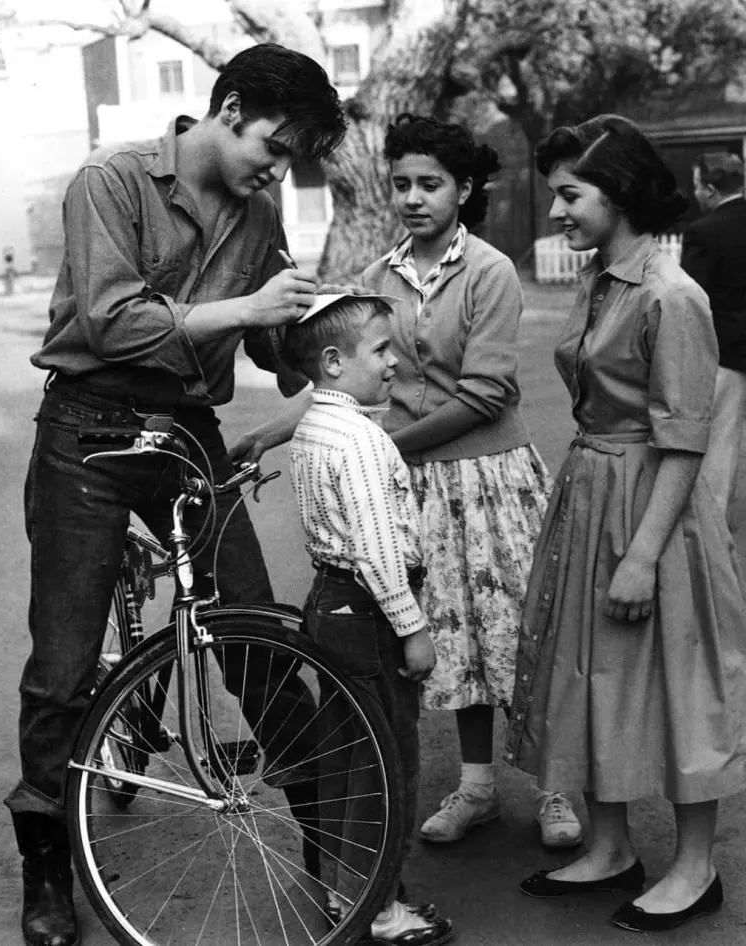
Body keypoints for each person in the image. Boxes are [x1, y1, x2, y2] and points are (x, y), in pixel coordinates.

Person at [5, 43, 346, 946]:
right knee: (66, 660)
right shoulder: (110, 182)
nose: (278, 169)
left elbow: (276, 347)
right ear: (230, 108)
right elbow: (111, 323)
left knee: (254, 624)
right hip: (88, 426)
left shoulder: (259, 205)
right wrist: (246, 311)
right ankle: (46, 871)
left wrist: (326, 325)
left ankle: (329, 845)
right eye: (275, 145)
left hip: (186, 425)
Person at [507, 114, 746, 933]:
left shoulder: (672, 295)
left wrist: (643, 556)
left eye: (571, 195)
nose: (558, 212)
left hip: (654, 512)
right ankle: (609, 849)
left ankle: (694, 868)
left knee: (680, 688)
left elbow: (685, 436)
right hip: (591, 494)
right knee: (588, 674)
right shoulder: (604, 279)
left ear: (618, 194)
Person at [359, 113, 582, 849]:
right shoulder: (378, 277)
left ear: (463, 190)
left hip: (491, 479)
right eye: (402, 184)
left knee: (519, 635)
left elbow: (485, 394)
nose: (414, 198)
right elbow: (354, 373)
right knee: (454, 641)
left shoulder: (488, 270)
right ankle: (478, 788)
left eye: (431, 184)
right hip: (419, 488)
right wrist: (277, 427)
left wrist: (390, 445)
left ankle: (555, 787)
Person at [283, 291, 453, 946]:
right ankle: (376, 908)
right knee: (388, 762)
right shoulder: (358, 439)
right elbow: (377, 548)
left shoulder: (315, 428)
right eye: (380, 349)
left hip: (332, 602)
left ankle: (343, 883)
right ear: (332, 361)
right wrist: (411, 628)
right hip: (371, 610)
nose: (393, 361)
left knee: (348, 756)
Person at [680, 151, 746, 528]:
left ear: (709, 189)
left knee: (721, 440)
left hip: (727, 351)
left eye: (696, 186)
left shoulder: (703, 232)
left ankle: (713, 524)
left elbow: (694, 300)